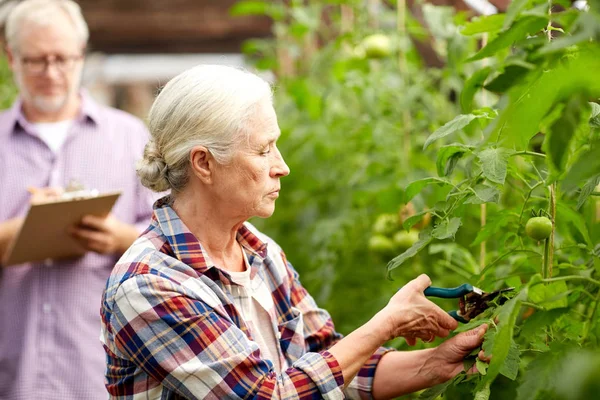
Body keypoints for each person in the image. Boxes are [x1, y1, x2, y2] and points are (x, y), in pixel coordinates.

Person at [101, 64, 488, 399]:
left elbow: (329, 367)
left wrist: (435, 362)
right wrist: (387, 323)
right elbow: (271, 394)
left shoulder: (259, 251)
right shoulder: (150, 285)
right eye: (263, 149)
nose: (281, 166)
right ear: (204, 162)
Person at [0, 1, 158, 398]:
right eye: (36, 60)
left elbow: (172, 234)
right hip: (12, 369)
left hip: (99, 366)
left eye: (62, 59)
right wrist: (20, 232)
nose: (51, 73)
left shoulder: (129, 138)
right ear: (10, 56)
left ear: (81, 55)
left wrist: (120, 237)